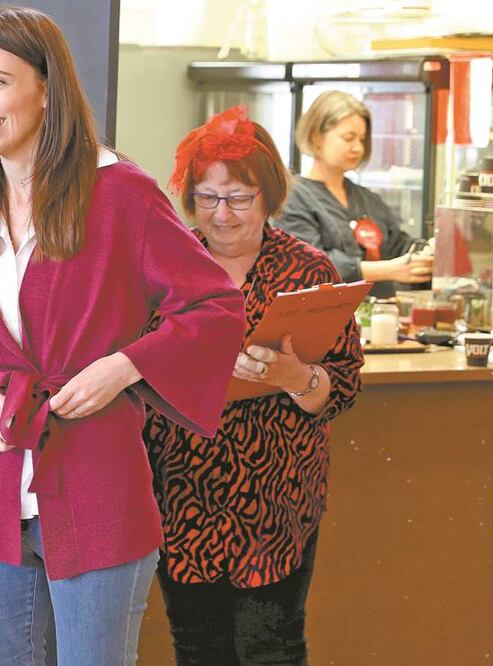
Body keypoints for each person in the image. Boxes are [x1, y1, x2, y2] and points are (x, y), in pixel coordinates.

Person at [0, 6, 246, 665]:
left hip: (94, 481)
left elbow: (214, 308)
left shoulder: (122, 196)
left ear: (47, 87)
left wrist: (122, 366)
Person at [142, 106, 364, 665]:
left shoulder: (307, 270)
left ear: (268, 196)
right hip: (180, 489)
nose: (222, 214)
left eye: (239, 197)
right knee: (198, 648)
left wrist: (294, 377)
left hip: (276, 497)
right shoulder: (165, 265)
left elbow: (342, 384)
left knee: (272, 649)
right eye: (207, 197)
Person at [276, 90, 432, 298]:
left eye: (362, 139)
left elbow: (397, 245)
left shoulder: (368, 198)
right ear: (316, 137)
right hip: (326, 318)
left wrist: (425, 251)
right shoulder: (292, 197)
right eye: (348, 138)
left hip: (379, 317)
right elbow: (309, 265)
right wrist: (390, 270)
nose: (358, 148)